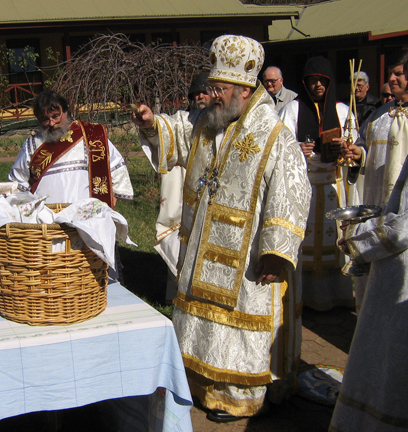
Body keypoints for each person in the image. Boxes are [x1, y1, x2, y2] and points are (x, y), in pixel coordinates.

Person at [132, 34, 311, 422]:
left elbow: (292, 192)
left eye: (220, 89)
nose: (213, 95)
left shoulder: (274, 135)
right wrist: (151, 124)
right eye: (212, 87)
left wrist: (276, 251)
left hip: (249, 255)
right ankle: (200, 383)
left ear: (245, 90)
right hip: (202, 242)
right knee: (201, 320)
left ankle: (239, 395)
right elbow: (178, 132)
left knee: (241, 320)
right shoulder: (207, 121)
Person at [329, 154, 408, 432]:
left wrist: (358, 237)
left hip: (401, 277)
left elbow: (403, 229)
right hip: (394, 268)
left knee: (391, 361)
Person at [279, 56, 356, 312]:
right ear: (305, 83)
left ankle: (337, 296)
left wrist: (345, 148)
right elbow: (279, 145)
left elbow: (355, 147)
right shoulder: (292, 110)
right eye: (312, 81)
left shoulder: (342, 111)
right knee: (305, 241)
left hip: (334, 186)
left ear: (329, 82)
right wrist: (296, 148)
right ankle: (306, 298)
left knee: (336, 240)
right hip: (305, 186)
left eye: (322, 80)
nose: (318, 85)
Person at [341, 49, 408, 309]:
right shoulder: (379, 116)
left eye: (398, 74)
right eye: (390, 73)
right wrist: (359, 154)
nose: (391, 79)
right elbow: (364, 147)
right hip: (376, 208)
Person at [9, 91, 134, 208]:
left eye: (56, 116)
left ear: (66, 112)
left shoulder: (91, 135)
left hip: (86, 214)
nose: (51, 123)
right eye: (45, 119)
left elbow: (116, 166)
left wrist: (110, 199)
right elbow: (18, 181)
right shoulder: (31, 145)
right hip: (45, 216)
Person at [156, 71, 214, 303]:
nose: (200, 97)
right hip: (182, 193)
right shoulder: (184, 124)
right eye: (195, 93)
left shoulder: (220, 124)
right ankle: (177, 295)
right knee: (179, 241)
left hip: (208, 194)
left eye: (204, 92)